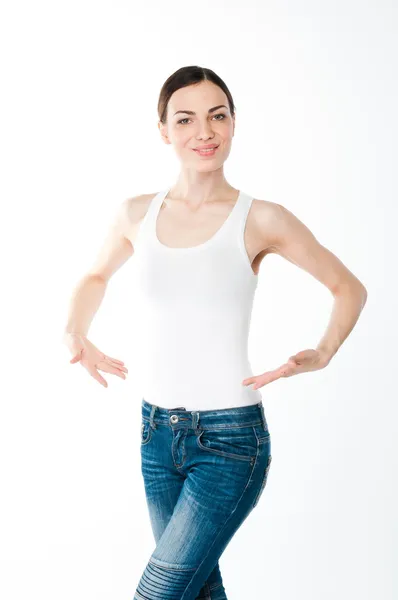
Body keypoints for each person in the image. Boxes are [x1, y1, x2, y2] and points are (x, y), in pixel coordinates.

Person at [63, 65, 368, 599]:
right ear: (163, 130)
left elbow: (348, 287)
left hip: (230, 442)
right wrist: (75, 332)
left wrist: (323, 351)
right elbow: (93, 275)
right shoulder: (136, 213)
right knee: (198, 590)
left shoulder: (261, 219)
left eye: (217, 116)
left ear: (233, 123)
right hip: (155, 434)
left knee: (158, 592)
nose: (204, 132)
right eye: (186, 119)